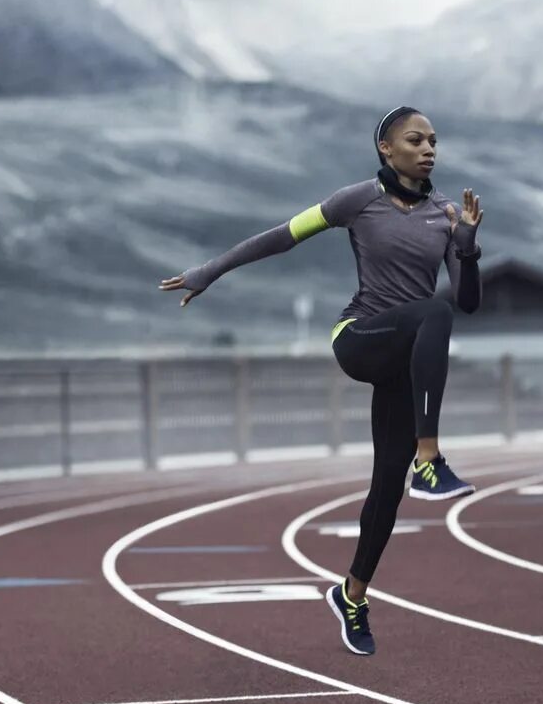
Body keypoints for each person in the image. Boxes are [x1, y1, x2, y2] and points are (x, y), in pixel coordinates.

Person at [160, 106, 483, 656]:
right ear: (386, 148)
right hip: (359, 339)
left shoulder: (447, 215)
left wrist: (468, 245)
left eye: (434, 140)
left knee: (386, 488)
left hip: (405, 358)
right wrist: (209, 272)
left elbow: (470, 301)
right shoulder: (356, 200)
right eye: (415, 139)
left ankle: (351, 595)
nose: (429, 149)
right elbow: (281, 237)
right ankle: (430, 461)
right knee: (434, 313)